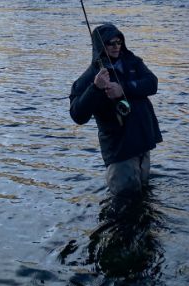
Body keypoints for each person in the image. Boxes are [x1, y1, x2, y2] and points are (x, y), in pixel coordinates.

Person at [69, 22, 162, 198]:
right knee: (124, 203)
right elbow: (77, 115)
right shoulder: (89, 77)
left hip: (143, 142)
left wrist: (123, 88)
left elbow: (152, 83)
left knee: (144, 197)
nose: (116, 46)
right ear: (101, 46)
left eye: (119, 42)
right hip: (120, 151)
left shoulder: (133, 61)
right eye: (111, 43)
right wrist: (95, 88)